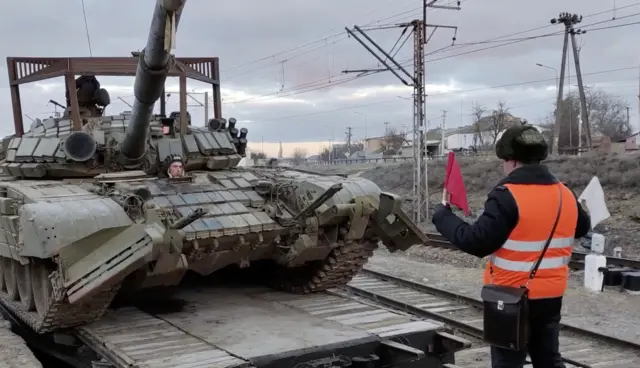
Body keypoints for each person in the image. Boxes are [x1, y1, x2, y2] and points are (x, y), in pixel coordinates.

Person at [432, 125, 590, 368]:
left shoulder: (507, 195)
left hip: (510, 297)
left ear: (511, 161)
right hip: (551, 296)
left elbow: (477, 241)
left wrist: (443, 216)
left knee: (508, 363)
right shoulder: (565, 193)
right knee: (548, 359)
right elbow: (581, 229)